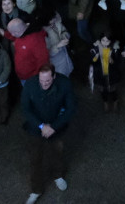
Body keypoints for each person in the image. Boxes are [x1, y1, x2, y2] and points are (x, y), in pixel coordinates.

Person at [21, 63, 76, 204]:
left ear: (54, 76)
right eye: (41, 80)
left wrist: (54, 126)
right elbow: (26, 109)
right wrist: (41, 126)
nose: (44, 84)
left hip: (56, 127)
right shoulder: (30, 84)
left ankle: (58, 175)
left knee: (57, 153)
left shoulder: (64, 84)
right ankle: (36, 190)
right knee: (35, 159)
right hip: (35, 128)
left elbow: (70, 108)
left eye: (48, 81)